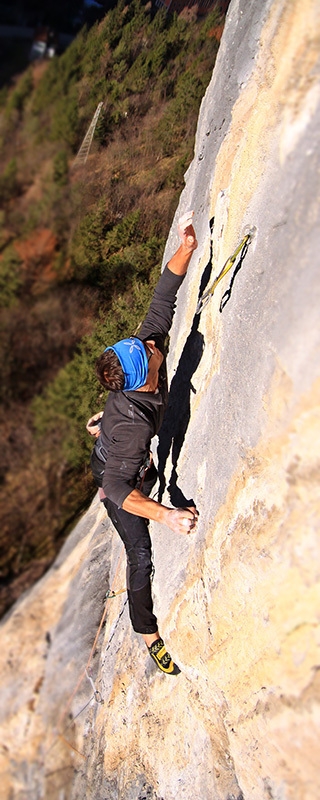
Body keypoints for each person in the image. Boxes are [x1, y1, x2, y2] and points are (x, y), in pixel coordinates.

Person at [86, 211, 199, 675]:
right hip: (115, 472)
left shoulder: (141, 351)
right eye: (149, 352)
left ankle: (102, 432)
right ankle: (146, 631)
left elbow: (162, 297)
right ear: (140, 377)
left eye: (146, 345)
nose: (154, 345)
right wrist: (166, 515)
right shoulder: (133, 421)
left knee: (140, 468)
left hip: (122, 451)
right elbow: (116, 486)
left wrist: (188, 245)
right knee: (141, 553)